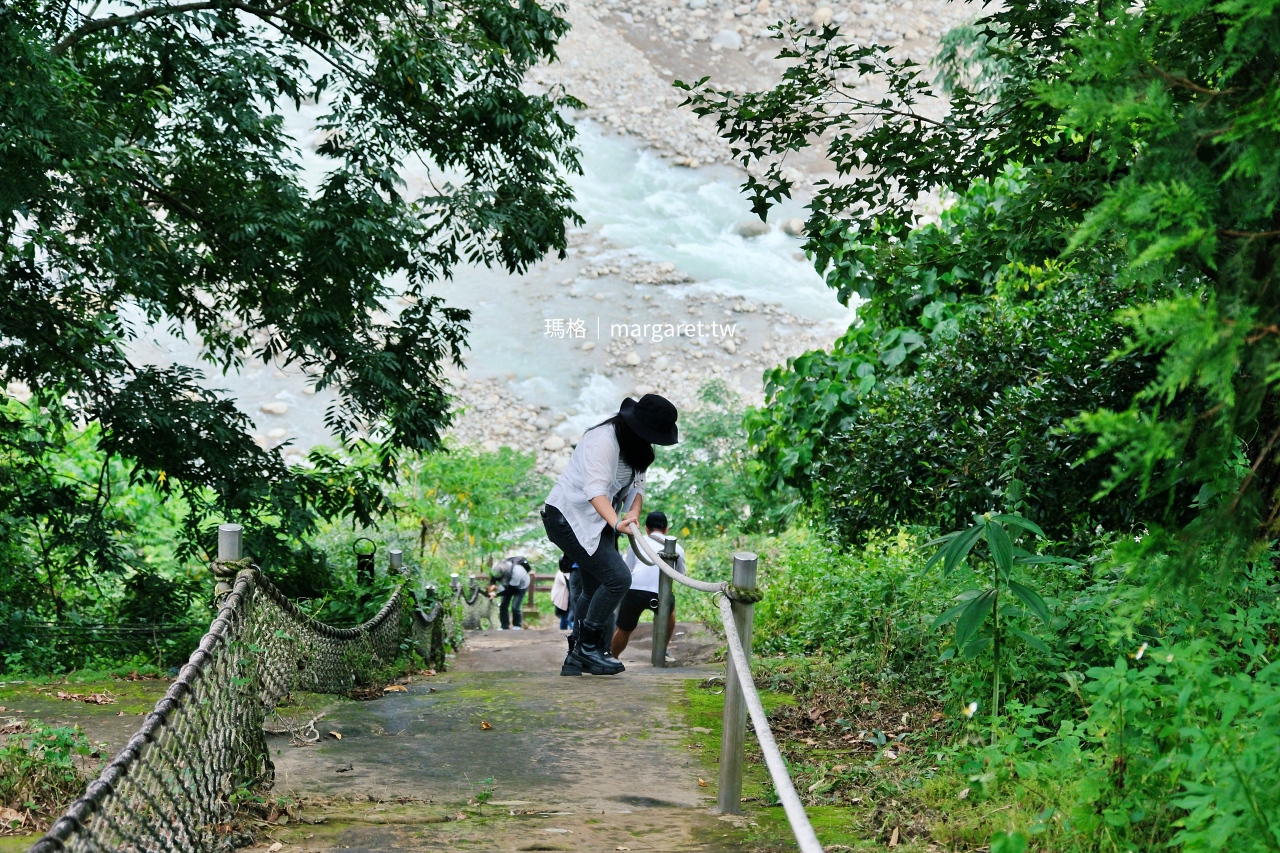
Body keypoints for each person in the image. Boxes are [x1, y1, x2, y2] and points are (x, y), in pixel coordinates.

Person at [541, 394, 679, 676]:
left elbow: (637, 487)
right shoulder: (603, 440)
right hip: (567, 518)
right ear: (637, 427)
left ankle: (576, 657)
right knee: (618, 578)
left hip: (598, 522)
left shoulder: (637, 447)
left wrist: (633, 514)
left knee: (593, 590)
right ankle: (588, 649)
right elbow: (595, 491)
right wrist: (617, 524)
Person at [613, 511, 686, 658]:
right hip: (661, 594)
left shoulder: (638, 542)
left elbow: (629, 569)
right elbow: (681, 575)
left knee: (623, 630)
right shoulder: (677, 548)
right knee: (670, 614)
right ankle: (662, 650)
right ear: (666, 529)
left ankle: (612, 657)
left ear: (646, 528)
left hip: (634, 591)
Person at [490, 555, 531, 630]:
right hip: (507, 584)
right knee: (503, 606)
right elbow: (493, 577)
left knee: (515, 607)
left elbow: (510, 590)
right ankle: (504, 626)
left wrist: (496, 594)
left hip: (520, 586)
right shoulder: (496, 566)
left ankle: (517, 625)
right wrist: (492, 585)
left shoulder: (516, 573)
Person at [551, 558, 575, 631]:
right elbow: (570, 581)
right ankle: (566, 631)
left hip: (567, 599)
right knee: (565, 617)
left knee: (566, 617)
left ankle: (567, 631)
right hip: (561, 598)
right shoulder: (561, 573)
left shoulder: (566, 573)